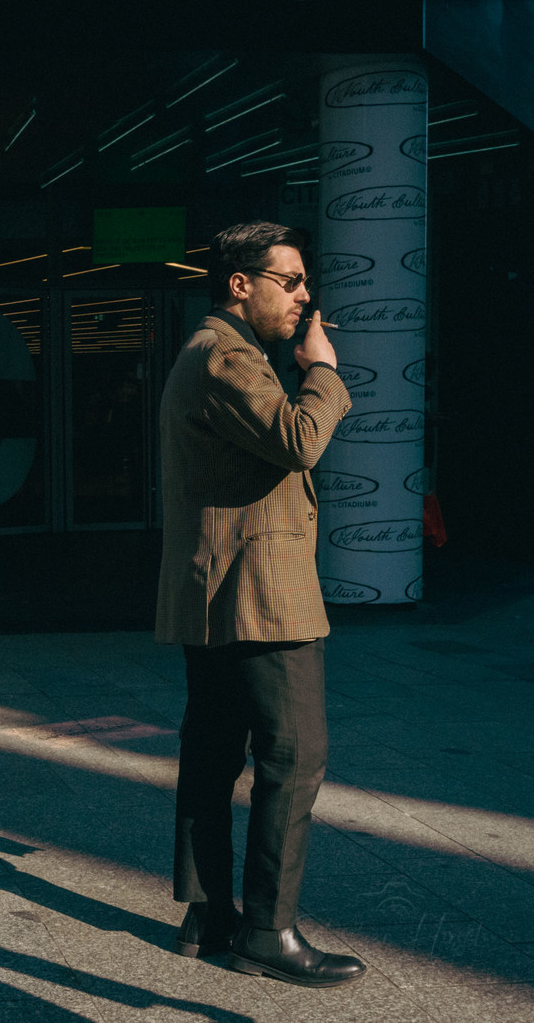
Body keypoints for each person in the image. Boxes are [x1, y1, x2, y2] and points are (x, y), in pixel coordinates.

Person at [155, 221, 364, 988]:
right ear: (240, 283)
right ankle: (268, 930)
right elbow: (300, 438)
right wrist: (322, 371)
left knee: (213, 749)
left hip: (222, 591)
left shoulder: (212, 351)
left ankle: (209, 913)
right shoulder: (226, 354)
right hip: (258, 596)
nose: (306, 296)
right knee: (295, 752)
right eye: (293, 281)